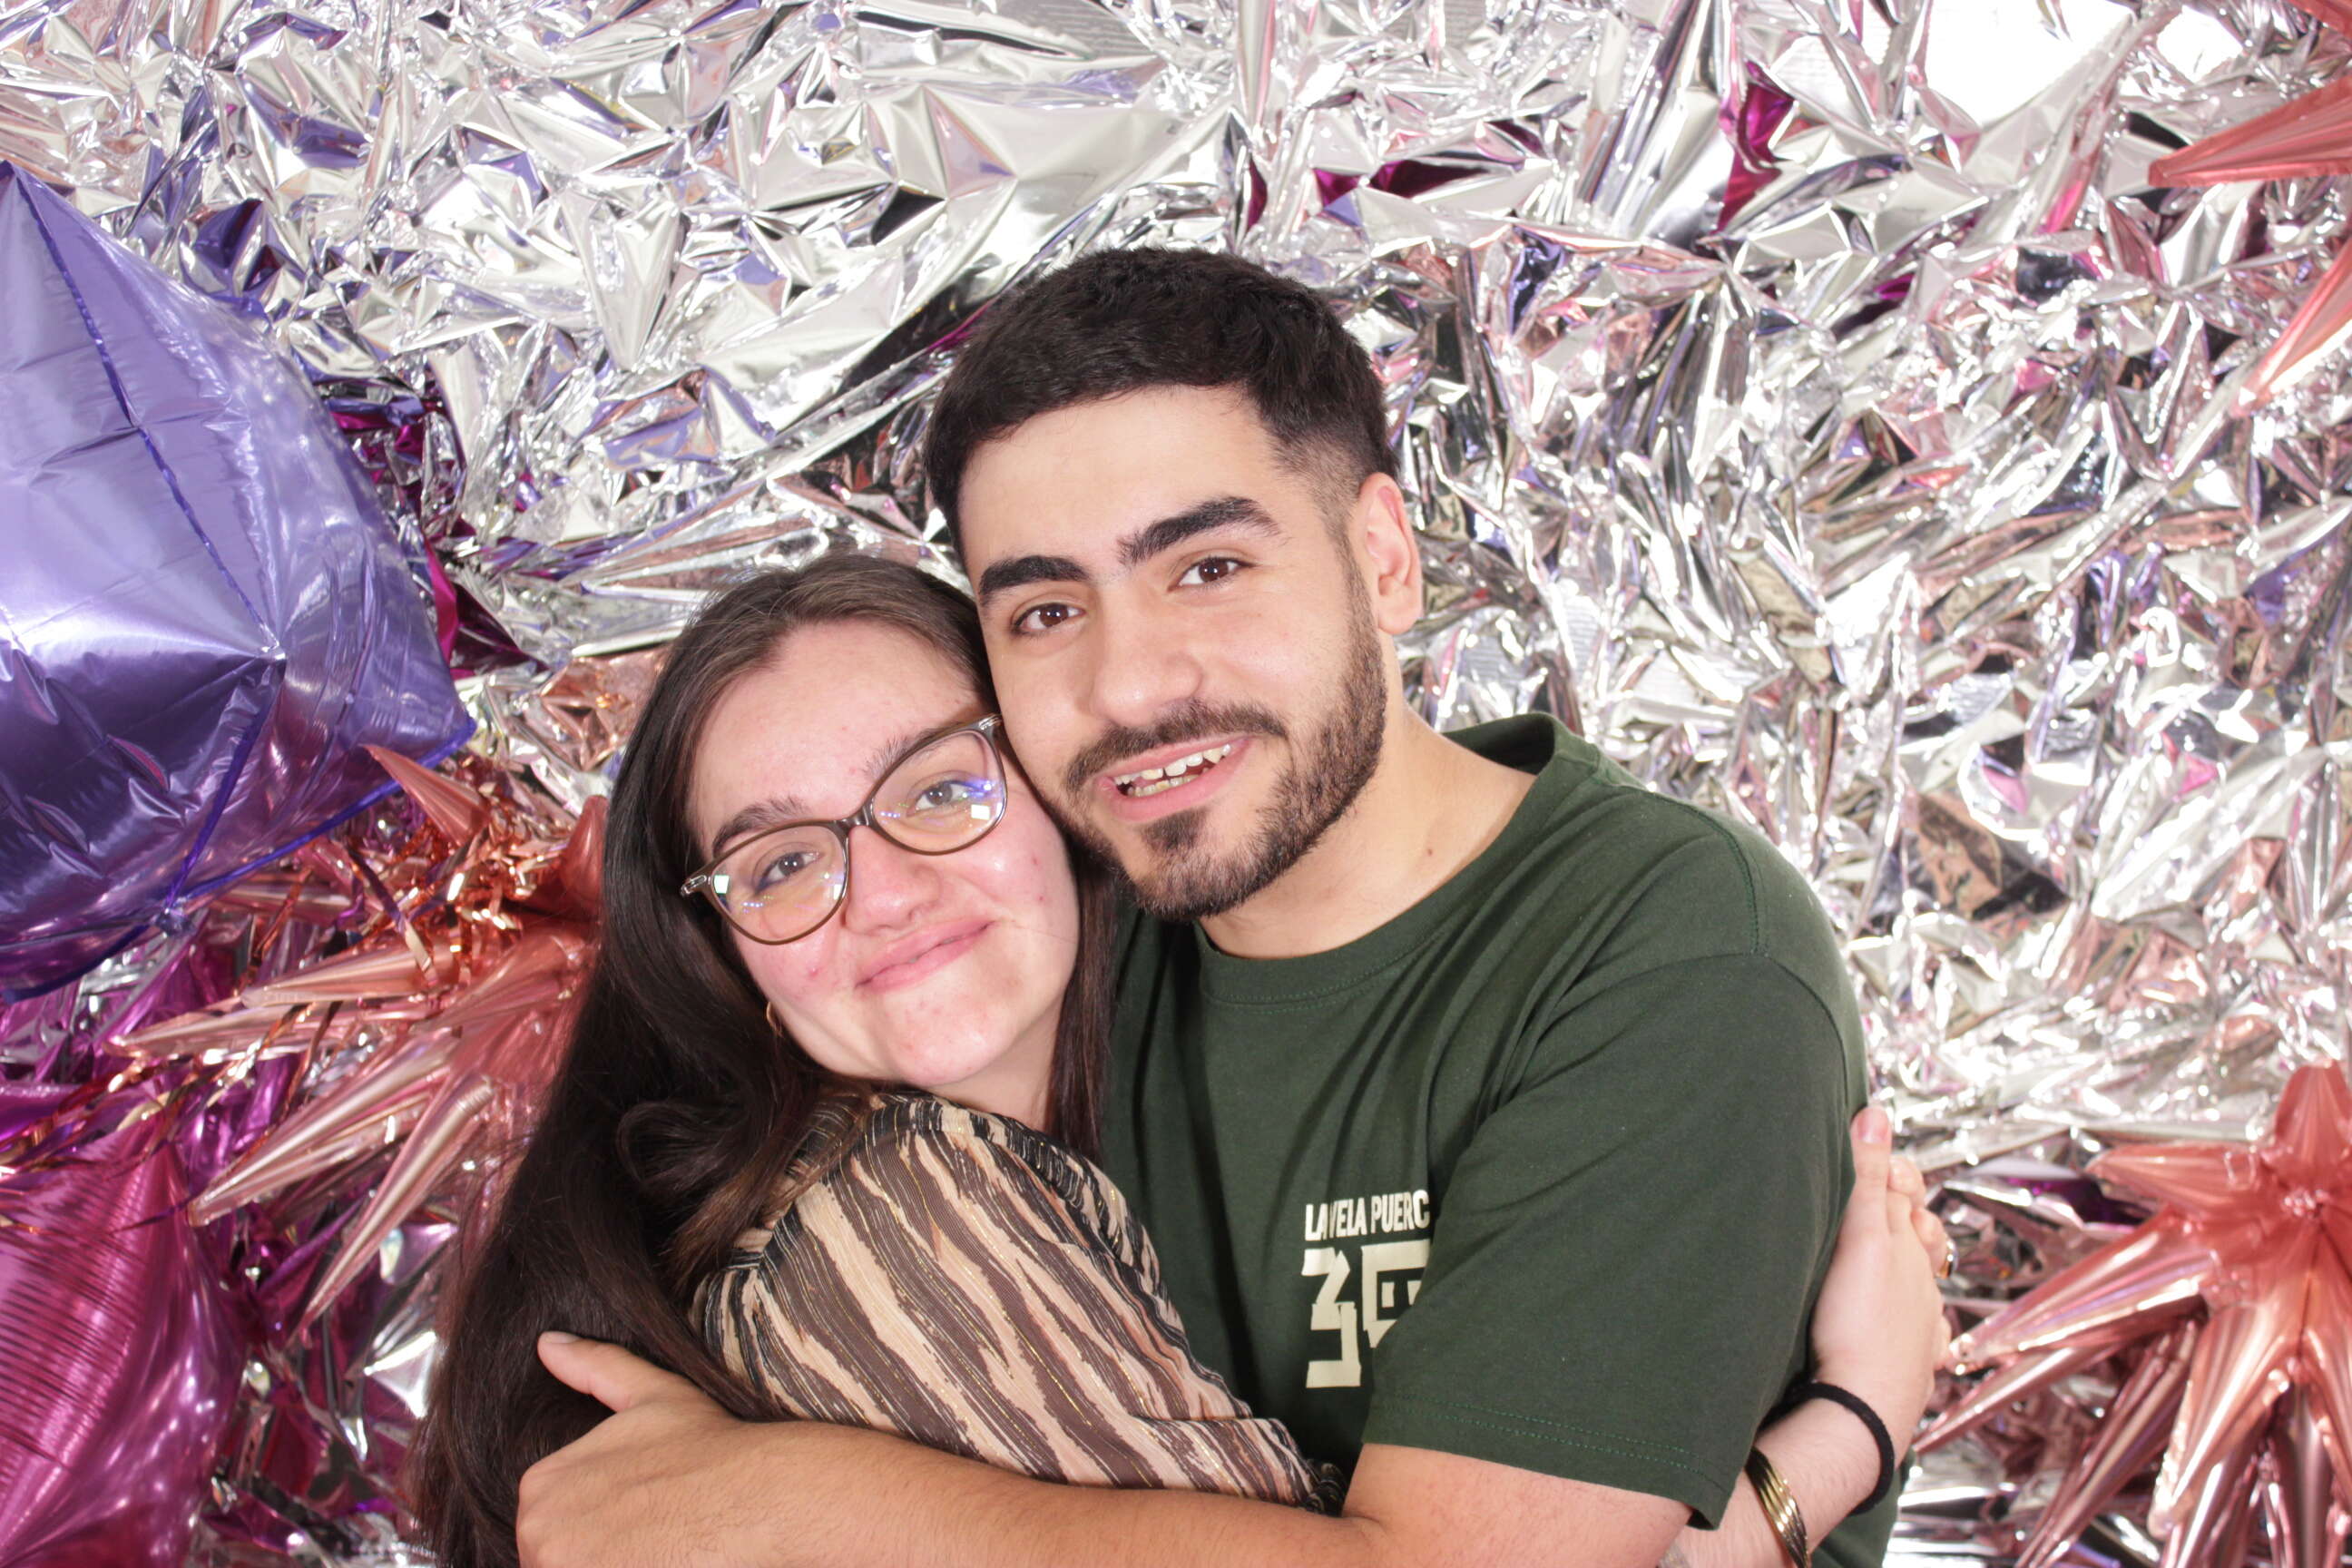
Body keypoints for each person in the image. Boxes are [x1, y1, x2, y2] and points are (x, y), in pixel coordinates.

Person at [509, 249, 1949, 1568]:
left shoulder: (1662, 956)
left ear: (1384, 558)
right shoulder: (1051, 963)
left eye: (1207, 567)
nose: (1131, 688)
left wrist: (797, 1505)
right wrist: (1834, 1446)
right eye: (1046, 612)